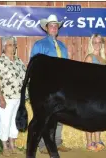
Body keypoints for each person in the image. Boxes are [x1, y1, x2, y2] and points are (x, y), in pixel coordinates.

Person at [30, 14, 71, 154]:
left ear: (57, 29)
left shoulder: (62, 46)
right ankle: (42, 145)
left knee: (59, 114)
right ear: (46, 28)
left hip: (62, 86)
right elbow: (34, 66)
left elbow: (67, 66)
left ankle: (57, 142)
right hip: (46, 87)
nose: (54, 28)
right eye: (51, 25)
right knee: (44, 115)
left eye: (55, 26)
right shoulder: (39, 45)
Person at [0, 36, 26, 157]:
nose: (14, 47)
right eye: (11, 44)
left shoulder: (19, 61)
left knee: (14, 122)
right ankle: (5, 147)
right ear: (4, 46)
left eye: (15, 45)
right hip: (5, 97)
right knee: (4, 122)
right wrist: (0, 98)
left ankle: (12, 145)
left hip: (18, 97)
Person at [84, 33, 106, 152]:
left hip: (101, 93)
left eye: (99, 42)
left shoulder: (103, 59)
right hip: (91, 92)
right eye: (95, 42)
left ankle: (98, 140)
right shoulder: (89, 57)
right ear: (91, 44)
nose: (97, 44)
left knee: (99, 117)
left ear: (102, 43)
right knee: (89, 117)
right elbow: (85, 77)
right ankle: (89, 142)